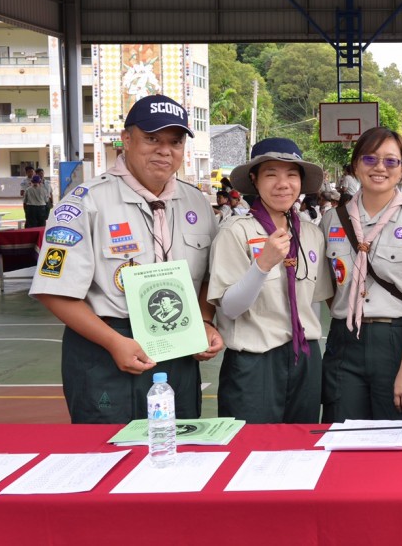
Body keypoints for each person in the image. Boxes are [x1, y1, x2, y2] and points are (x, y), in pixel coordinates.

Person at [29, 94, 223, 424]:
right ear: (126, 139)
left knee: (180, 451)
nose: (165, 150)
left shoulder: (197, 203)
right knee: (108, 457)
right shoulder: (85, 204)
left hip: (178, 349)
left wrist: (203, 321)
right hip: (107, 348)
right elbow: (53, 290)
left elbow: (207, 277)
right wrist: (114, 342)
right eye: (152, 138)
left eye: (175, 141)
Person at [320, 127, 402, 422]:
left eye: (391, 161)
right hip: (344, 342)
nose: (380, 168)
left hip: (399, 340)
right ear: (355, 165)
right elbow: (331, 290)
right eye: (370, 159)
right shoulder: (331, 222)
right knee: (342, 437)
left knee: (399, 442)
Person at [207, 138, 333, 423]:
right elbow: (229, 308)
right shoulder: (235, 232)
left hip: (306, 357)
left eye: (291, 174)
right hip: (255, 361)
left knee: (300, 448)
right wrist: (262, 265)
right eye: (271, 174)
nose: (282, 183)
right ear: (254, 179)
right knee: (249, 450)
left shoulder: (311, 234)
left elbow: (313, 303)